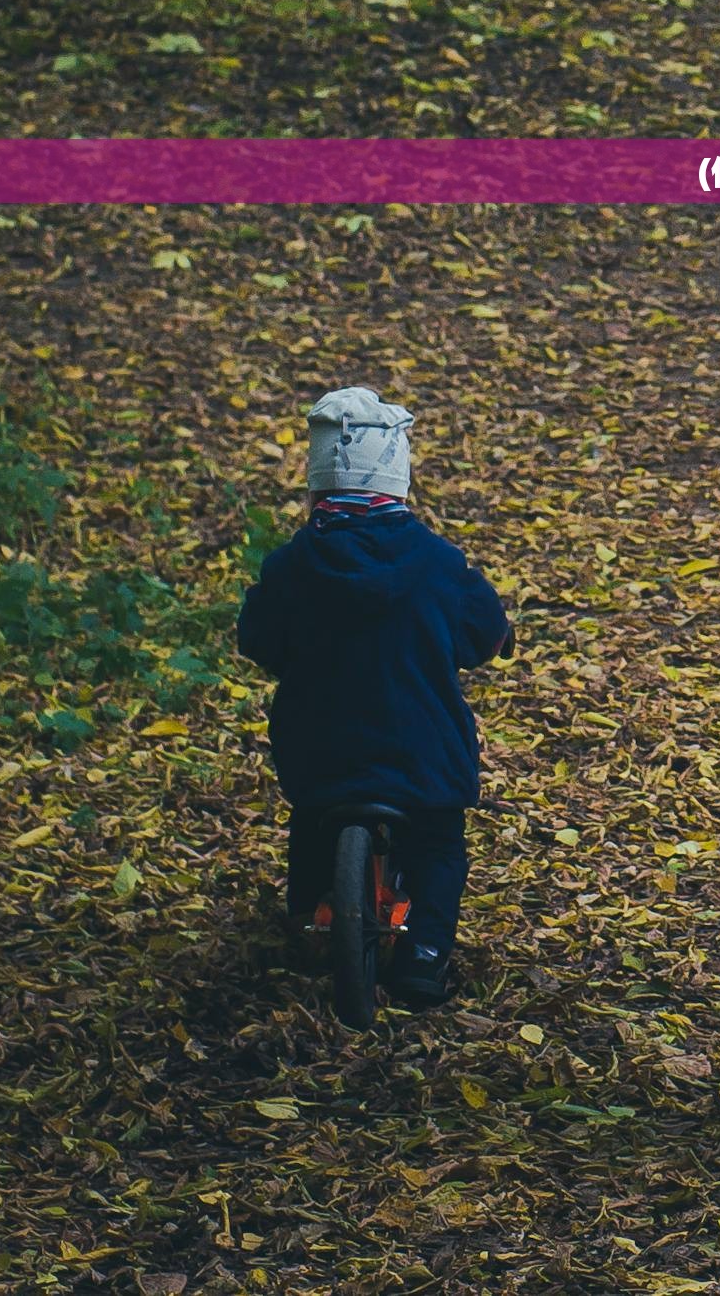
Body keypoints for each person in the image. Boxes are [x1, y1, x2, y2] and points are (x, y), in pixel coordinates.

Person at [235, 386, 513, 1011]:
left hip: (322, 749)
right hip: (422, 751)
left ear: (316, 491)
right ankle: (424, 956)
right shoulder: (440, 565)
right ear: (399, 485)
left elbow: (257, 637)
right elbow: (482, 630)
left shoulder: (291, 567)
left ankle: (311, 915)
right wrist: (489, 640)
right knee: (439, 839)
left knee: (311, 819)